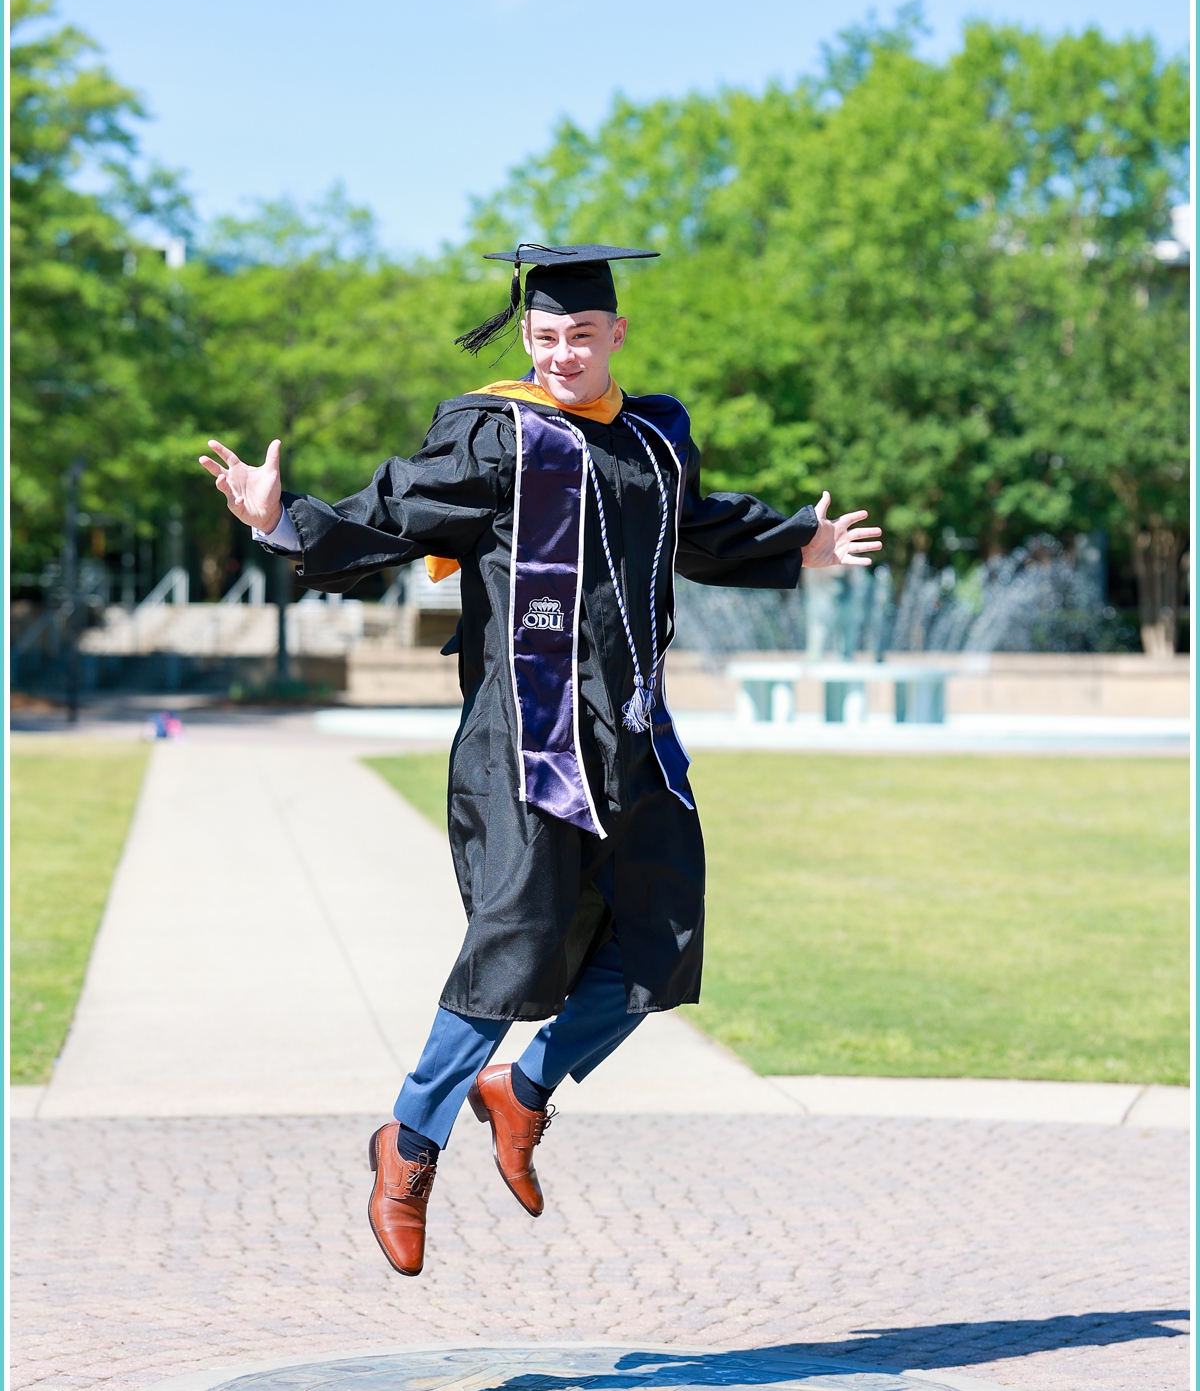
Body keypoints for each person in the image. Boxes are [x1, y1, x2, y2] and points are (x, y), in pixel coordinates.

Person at [200, 243, 880, 1277]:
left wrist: (796, 547)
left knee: (663, 939)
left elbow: (695, 526)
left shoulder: (653, 435)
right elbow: (399, 509)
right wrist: (283, 519)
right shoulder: (496, 432)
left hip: (633, 731)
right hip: (524, 733)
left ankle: (521, 1090)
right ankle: (411, 1143)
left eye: (581, 335)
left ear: (616, 335)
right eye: (546, 335)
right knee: (513, 937)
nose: (563, 352)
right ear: (529, 336)